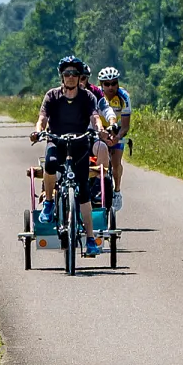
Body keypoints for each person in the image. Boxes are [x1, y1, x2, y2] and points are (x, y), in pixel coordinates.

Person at [31, 56, 112, 256]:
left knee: (84, 190)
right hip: (56, 141)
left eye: (74, 74)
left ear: (79, 77)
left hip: (80, 144)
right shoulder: (52, 96)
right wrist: (38, 130)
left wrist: (100, 130)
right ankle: (49, 202)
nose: (71, 77)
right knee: (49, 164)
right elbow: (42, 118)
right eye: (67, 73)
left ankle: (91, 239)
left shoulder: (87, 97)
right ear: (62, 76)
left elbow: (95, 117)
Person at [97, 66, 131, 211]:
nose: (111, 87)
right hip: (99, 131)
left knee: (116, 164)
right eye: (107, 84)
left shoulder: (123, 97)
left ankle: (117, 191)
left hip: (116, 131)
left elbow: (125, 126)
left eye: (114, 83)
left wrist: (116, 138)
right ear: (101, 85)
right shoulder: (97, 96)